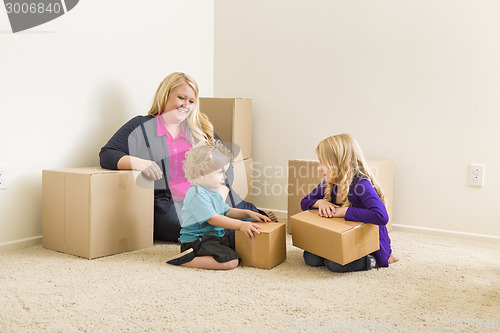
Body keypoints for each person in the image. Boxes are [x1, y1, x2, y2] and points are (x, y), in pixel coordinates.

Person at [99, 72, 276, 242]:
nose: (186, 105)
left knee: (253, 216)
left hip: (209, 193)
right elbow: (107, 154)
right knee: (201, 224)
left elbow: (226, 161)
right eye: (181, 98)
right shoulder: (141, 125)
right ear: (165, 95)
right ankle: (227, 229)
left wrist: (221, 192)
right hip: (169, 203)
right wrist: (140, 163)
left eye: (191, 101)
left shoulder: (199, 128)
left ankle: (232, 224)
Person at [300, 134, 400, 272]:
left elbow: (381, 216)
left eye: (323, 162)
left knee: (335, 264)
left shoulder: (360, 184)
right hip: (338, 239)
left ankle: (374, 260)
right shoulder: (330, 184)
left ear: (339, 162)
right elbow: (304, 202)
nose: (319, 168)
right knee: (311, 259)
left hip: (365, 244)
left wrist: (343, 211)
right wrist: (320, 202)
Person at [166, 141, 271, 269]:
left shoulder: (212, 191)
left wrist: (248, 214)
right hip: (197, 241)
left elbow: (226, 211)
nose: (225, 177)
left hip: (214, 237)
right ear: (201, 173)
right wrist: (241, 224)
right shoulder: (197, 194)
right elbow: (214, 219)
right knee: (231, 262)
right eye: (220, 172)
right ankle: (184, 260)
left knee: (240, 238)